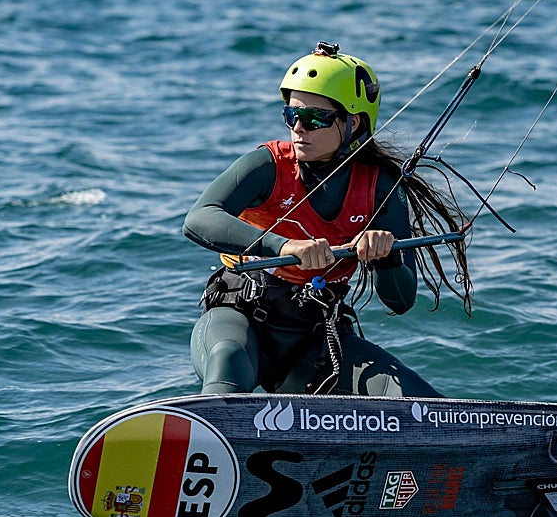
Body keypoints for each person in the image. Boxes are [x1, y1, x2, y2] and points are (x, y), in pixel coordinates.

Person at [184, 42, 471, 398]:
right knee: (227, 359)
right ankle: (211, 438)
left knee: (410, 395)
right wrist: (284, 245)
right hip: (240, 321)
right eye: (292, 115)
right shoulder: (267, 166)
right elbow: (198, 219)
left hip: (316, 337)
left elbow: (400, 301)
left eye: (316, 118)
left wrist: (387, 257)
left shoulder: (381, 187)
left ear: (353, 123)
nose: (299, 128)